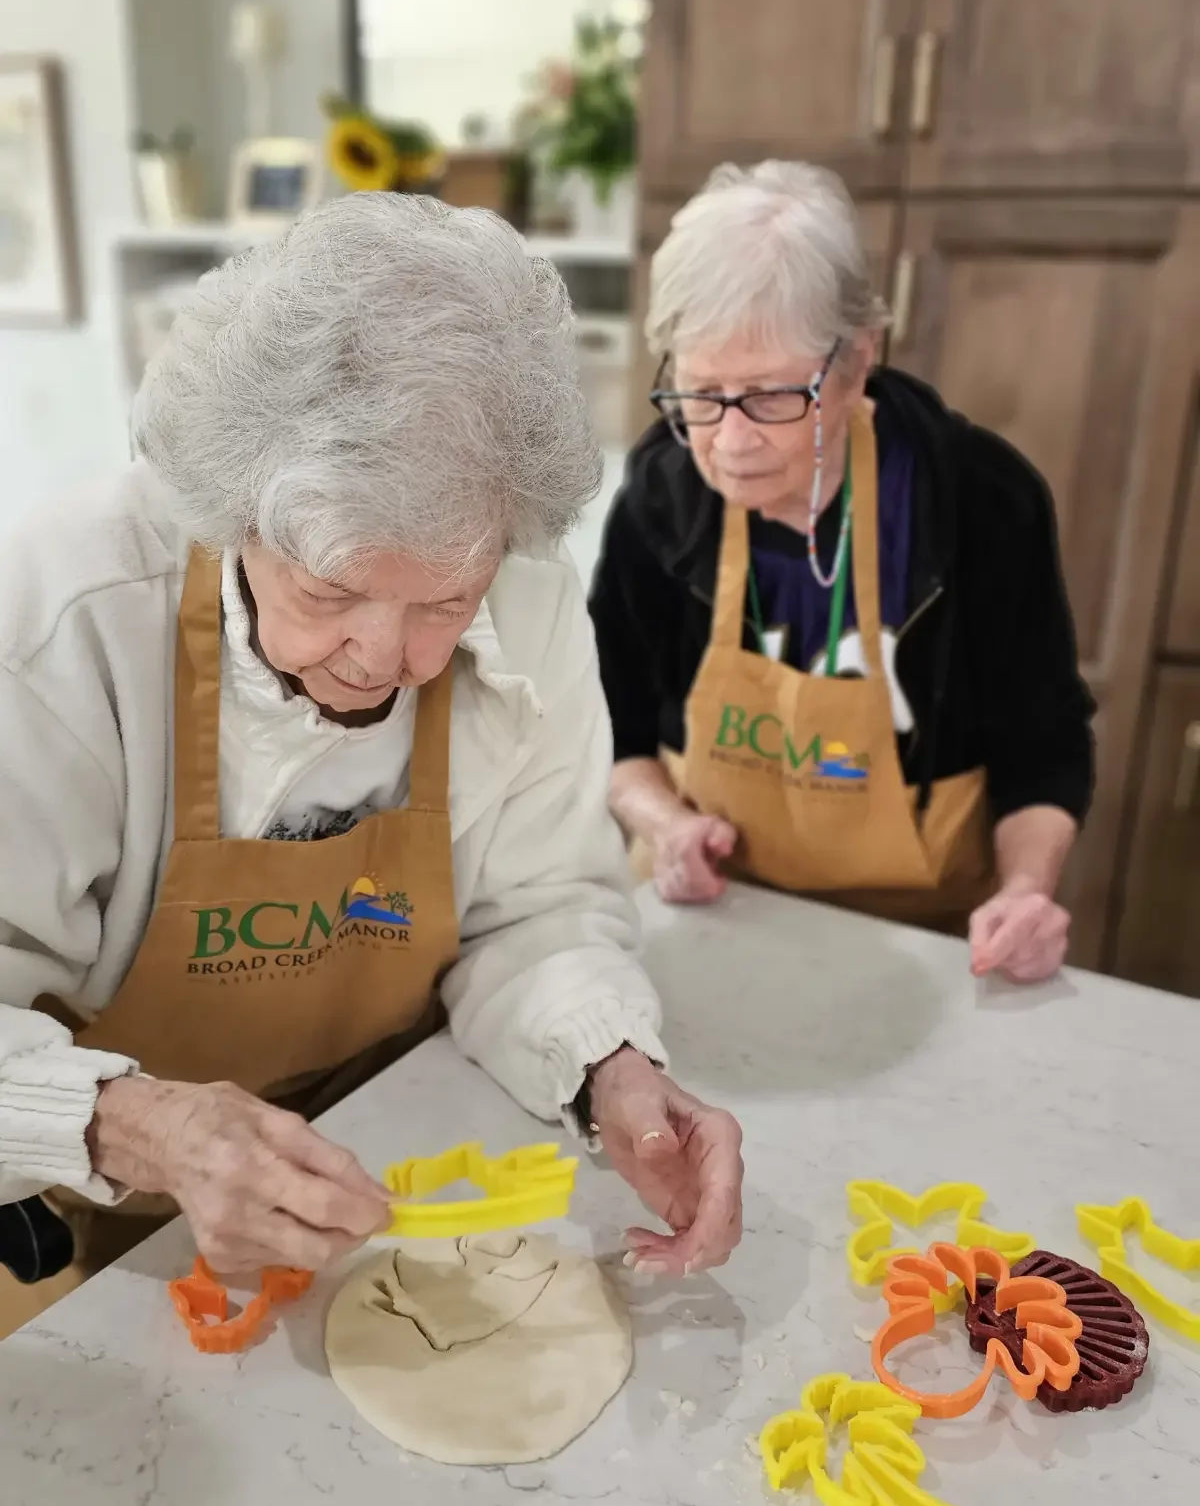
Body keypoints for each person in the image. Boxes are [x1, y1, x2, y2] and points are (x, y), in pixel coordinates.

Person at [0, 194, 742, 1294]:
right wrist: (143, 1128)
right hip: (143, 1205)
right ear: (232, 507)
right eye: (332, 590)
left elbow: (535, 910)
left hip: (410, 1158)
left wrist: (612, 1064)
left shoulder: (534, 613)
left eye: (447, 599)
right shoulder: (68, 621)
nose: (389, 659)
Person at [590, 162, 1094, 980]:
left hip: (923, 944)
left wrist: (1026, 891)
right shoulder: (665, 492)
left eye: (770, 396)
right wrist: (665, 824)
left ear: (859, 359)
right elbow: (612, 722)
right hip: (715, 917)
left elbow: (1044, 744)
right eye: (700, 392)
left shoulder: (978, 498)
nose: (731, 439)